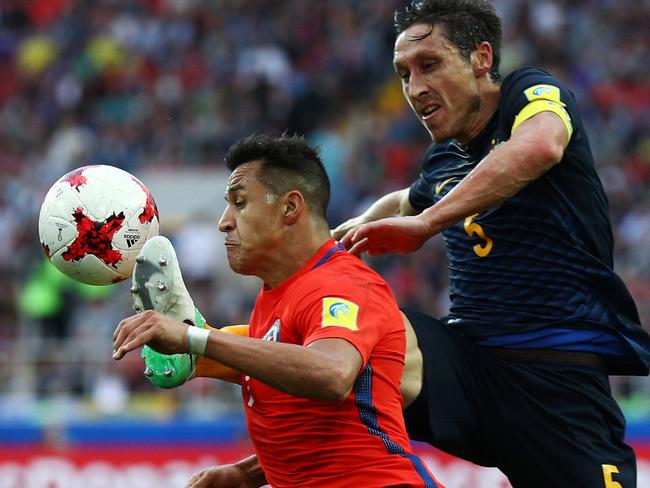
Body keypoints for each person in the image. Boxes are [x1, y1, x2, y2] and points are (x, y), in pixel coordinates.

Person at [330, 0, 650, 486]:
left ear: (481, 58)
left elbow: (542, 145)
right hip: (467, 367)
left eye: (429, 65)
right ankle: (199, 347)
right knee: (355, 334)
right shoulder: (442, 159)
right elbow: (403, 202)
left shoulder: (530, 93)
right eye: (404, 73)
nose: (415, 89)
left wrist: (427, 223)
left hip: (556, 380)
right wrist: (331, 244)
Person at [112, 134, 442, 488]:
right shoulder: (276, 296)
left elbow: (331, 373)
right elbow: (324, 424)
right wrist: (247, 474)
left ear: (289, 207)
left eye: (239, 203)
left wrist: (195, 338)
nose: (224, 221)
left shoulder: (341, 283)